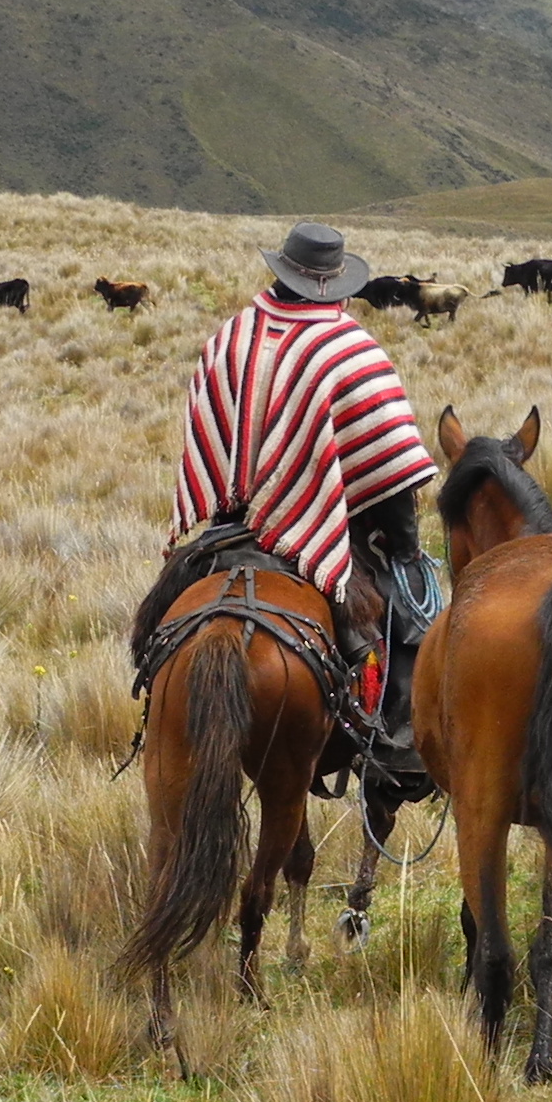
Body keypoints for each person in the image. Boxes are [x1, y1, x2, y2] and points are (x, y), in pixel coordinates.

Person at [139, 221, 440, 780]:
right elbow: (388, 458)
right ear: (335, 283)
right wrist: (404, 548)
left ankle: (148, 703)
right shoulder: (348, 346)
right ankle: (399, 742)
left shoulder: (232, 334)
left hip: (230, 522)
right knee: (410, 610)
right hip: (319, 531)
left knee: (158, 619)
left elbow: (211, 426)